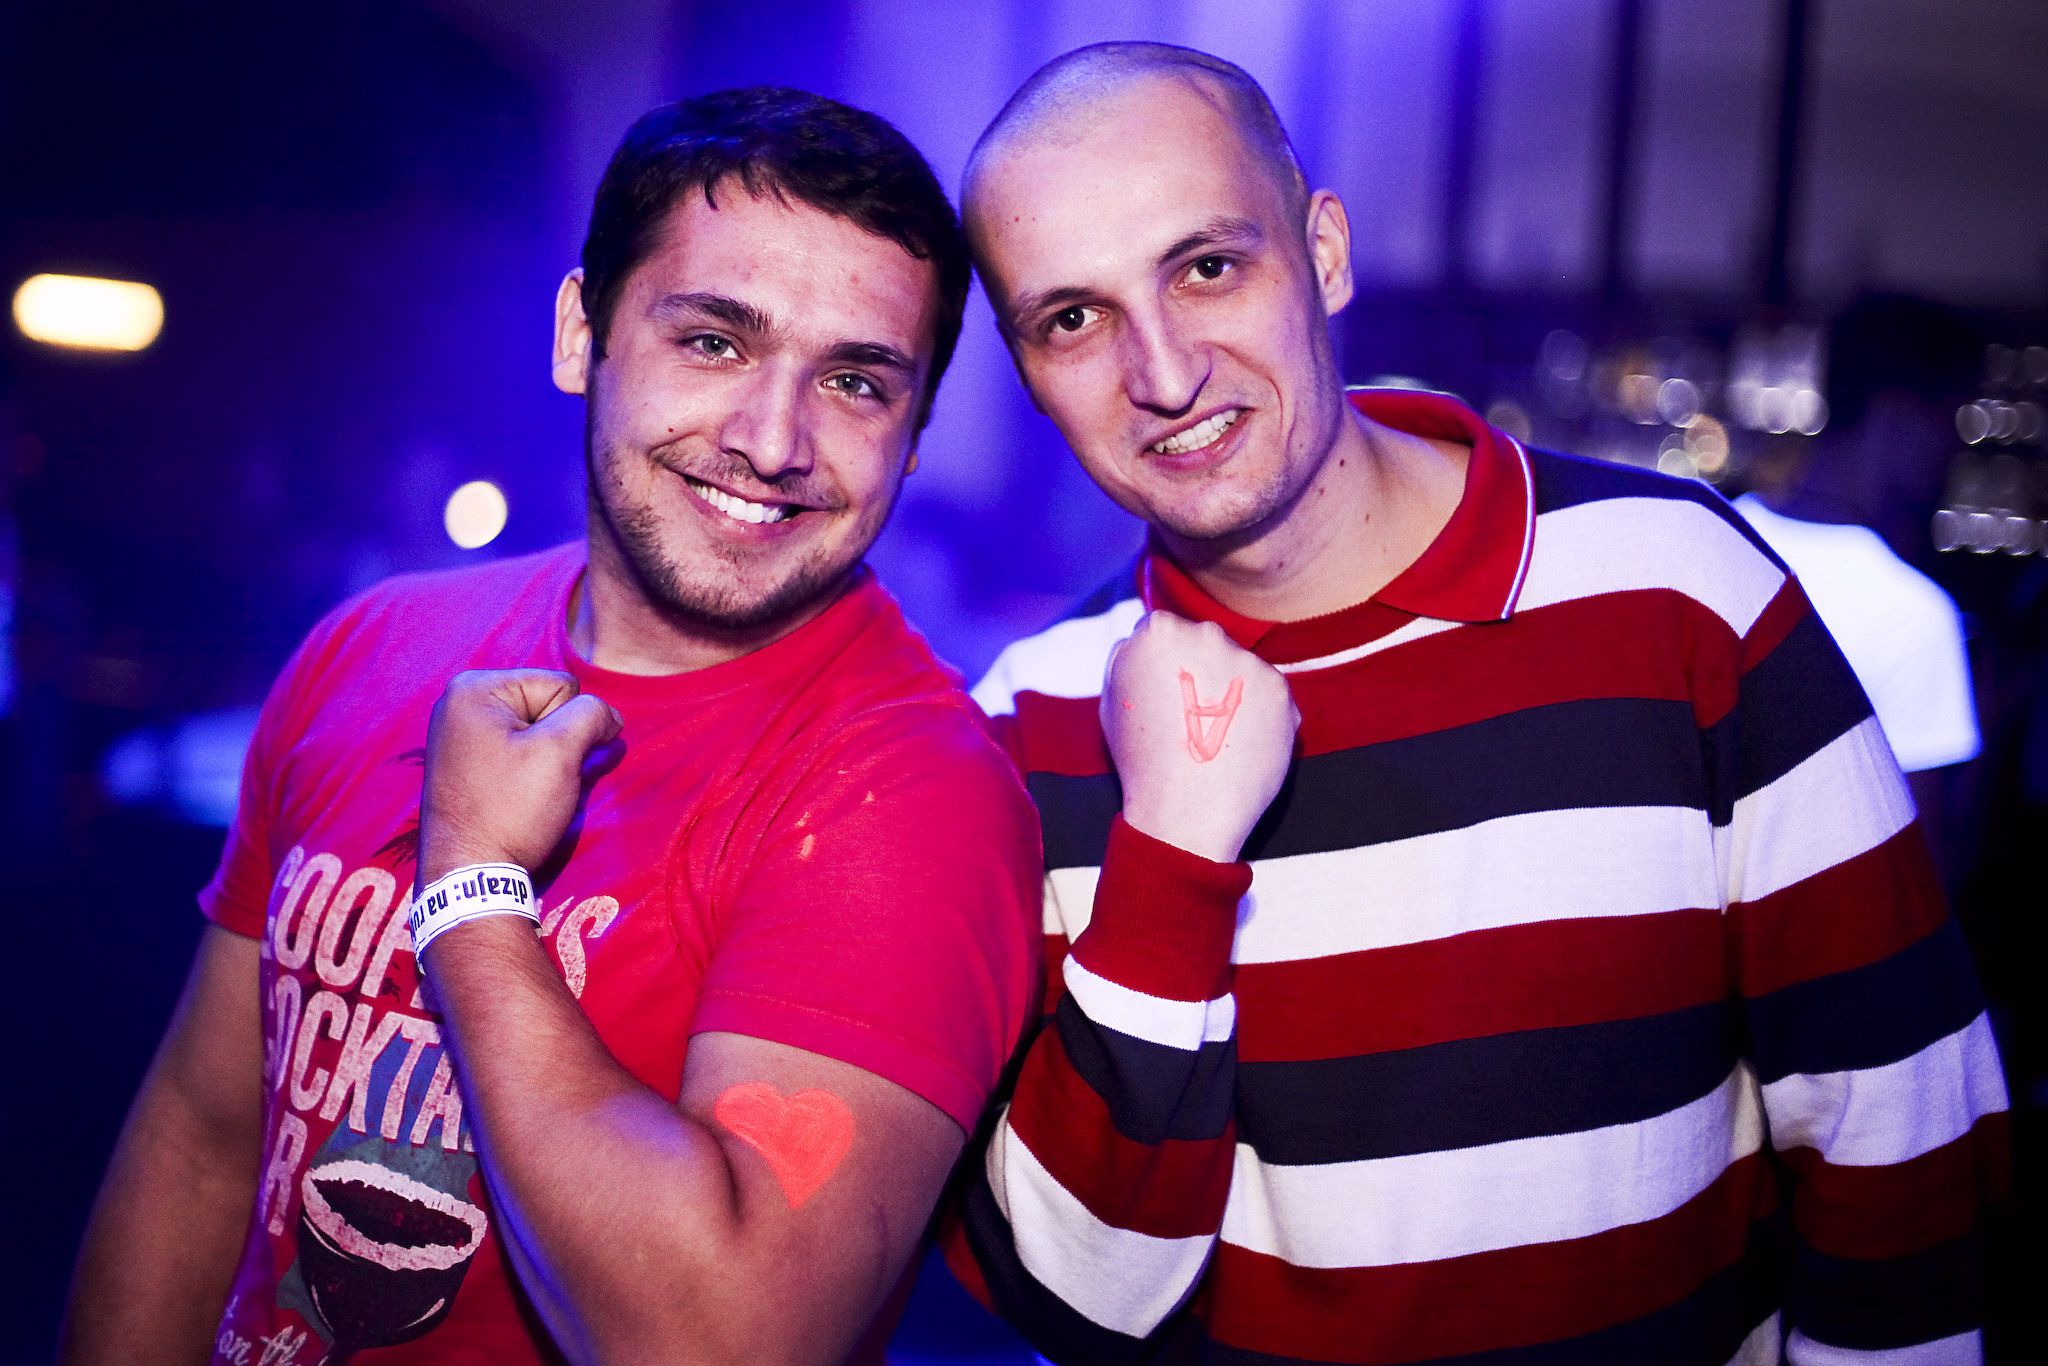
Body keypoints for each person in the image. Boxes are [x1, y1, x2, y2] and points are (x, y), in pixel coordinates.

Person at [946, 42, 2009, 1366]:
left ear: (1324, 253)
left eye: (1207, 266)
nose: (1161, 372)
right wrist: (1170, 848)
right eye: (1072, 318)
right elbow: (1073, 1295)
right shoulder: (1023, 722)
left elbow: (1900, 1126)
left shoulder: (1677, 591)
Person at [61, 88, 1041, 1366]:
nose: (771, 440)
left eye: (854, 381)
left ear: (910, 437)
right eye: (713, 342)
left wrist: (472, 886)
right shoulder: (375, 643)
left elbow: (713, 1346)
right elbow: (201, 1142)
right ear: (583, 333)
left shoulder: (914, 794)